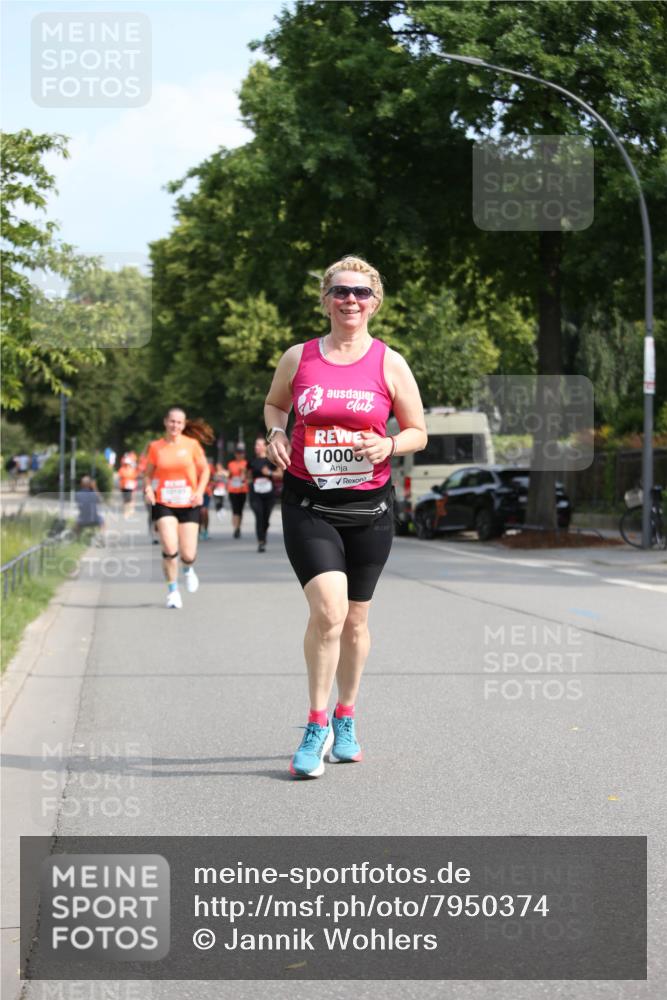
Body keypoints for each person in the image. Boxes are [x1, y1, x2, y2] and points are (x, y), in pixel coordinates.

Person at [265, 255, 427, 778]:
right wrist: (276, 434)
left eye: (360, 292)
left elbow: (417, 431)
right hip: (309, 505)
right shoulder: (299, 357)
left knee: (356, 620)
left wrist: (390, 444)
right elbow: (274, 406)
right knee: (329, 613)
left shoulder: (390, 363)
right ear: (326, 300)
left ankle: (346, 714)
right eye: (340, 292)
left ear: (374, 302)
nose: (350, 300)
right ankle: (315, 726)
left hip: (371, 510)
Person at [143, 407, 213, 609]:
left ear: (184, 425)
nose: (175, 425)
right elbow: (147, 473)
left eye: (179, 422)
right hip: (165, 502)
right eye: (172, 421)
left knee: (188, 554)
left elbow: (205, 470)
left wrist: (199, 491)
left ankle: (188, 569)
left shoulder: (192, 445)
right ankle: (172, 591)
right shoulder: (156, 447)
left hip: (189, 503)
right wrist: (148, 488)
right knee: (169, 547)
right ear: (165, 422)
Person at [247, 435, 280, 553]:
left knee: (265, 518)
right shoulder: (252, 461)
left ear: (265, 447)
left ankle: (264, 535)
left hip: (269, 494)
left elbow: (280, 474)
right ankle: (261, 541)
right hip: (255, 493)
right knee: (259, 515)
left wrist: (269, 473)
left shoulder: (271, 460)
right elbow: (248, 475)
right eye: (256, 445)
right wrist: (247, 480)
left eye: (259, 445)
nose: (257, 447)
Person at [226, 444, 249, 539]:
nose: (239, 455)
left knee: (240, 510)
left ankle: (239, 527)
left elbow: (248, 476)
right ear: (235, 454)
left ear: (244, 454)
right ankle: (235, 528)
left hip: (242, 489)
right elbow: (229, 476)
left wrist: (244, 472)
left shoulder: (246, 464)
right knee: (235, 510)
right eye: (238, 453)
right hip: (232, 489)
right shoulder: (231, 464)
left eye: (241, 453)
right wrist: (229, 474)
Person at [74, 475, 105, 542]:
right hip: (94, 519)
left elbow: (78, 505)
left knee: (77, 522)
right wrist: (94, 487)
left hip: (82, 520)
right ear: (90, 484)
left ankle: (77, 539)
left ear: (81, 484)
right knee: (102, 521)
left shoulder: (77, 494)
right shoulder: (94, 494)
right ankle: (101, 535)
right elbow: (101, 500)